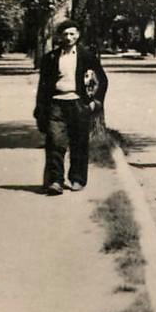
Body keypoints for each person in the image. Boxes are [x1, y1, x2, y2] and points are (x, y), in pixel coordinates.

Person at [34, 20, 108, 195]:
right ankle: (55, 181)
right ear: (60, 36)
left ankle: (77, 179)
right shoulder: (50, 58)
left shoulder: (87, 56)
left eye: (72, 34)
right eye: (65, 34)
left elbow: (102, 80)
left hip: (78, 104)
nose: (68, 37)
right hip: (56, 103)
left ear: (78, 35)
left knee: (79, 143)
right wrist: (40, 108)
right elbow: (42, 85)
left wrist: (95, 102)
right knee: (55, 142)